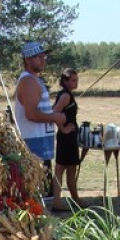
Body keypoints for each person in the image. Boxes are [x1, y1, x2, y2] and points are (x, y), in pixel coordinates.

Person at [13, 41, 65, 201]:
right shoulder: (28, 81)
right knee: (39, 194)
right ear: (28, 60)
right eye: (38, 57)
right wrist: (54, 117)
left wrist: (53, 115)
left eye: (44, 56)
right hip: (33, 142)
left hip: (40, 141)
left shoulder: (35, 80)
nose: (43, 60)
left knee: (44, 192)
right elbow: (31, 114)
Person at [51, 68, 86, 210]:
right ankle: (59, 202)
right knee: (62, 169)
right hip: (66, 137)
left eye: (77, 80)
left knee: (70, 168)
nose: (76, 83)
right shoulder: (65, 95)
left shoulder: (65, 94)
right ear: (65, 81)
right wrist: (63, 128)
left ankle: (73, 199)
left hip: (69, 136)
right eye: (73, 80)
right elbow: (54, 113)